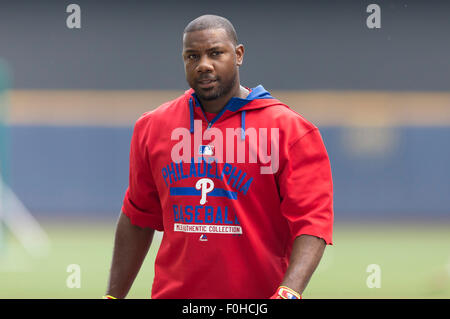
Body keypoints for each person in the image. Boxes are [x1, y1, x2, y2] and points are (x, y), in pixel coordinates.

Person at [105, 14, 333, 299]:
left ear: (238, 55)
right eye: (192, 56)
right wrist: (112, 296)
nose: (203, 65)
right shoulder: (153, 127)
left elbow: (312, 223)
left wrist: (289, 292)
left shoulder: (290, 131)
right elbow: (138, 218)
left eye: (215, 53)